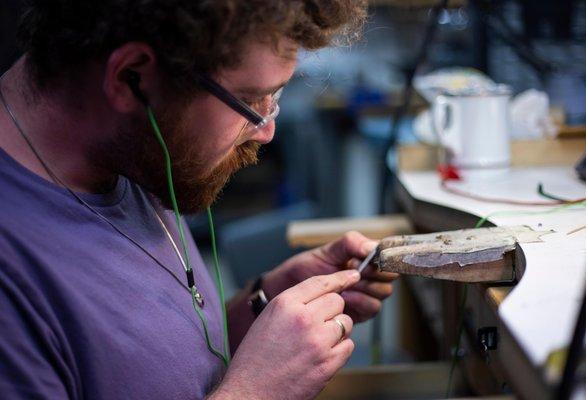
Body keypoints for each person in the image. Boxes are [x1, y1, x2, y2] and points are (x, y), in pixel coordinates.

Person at [0, 1, 396, 398]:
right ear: (130, 77)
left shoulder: (129, 151)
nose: (265, 130)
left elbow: (152, 370)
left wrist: (261, 306)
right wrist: (254, 392)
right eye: (252, 100)